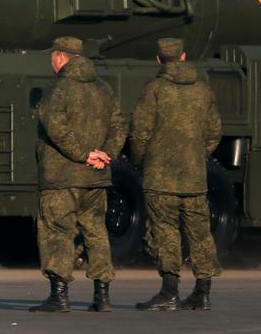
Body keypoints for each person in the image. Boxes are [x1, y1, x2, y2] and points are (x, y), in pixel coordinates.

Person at [30, 36, 127, 313]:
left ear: (61, 57)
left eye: (52, 56)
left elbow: (56, 128)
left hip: (61, 177)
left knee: (57, 232)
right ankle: (102, 296)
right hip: (95, 177)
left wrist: (84, 154)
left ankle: (59, 296)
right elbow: (120, 125)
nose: (51, 61)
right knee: (96, 232)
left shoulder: (58, 88)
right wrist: (105, 154)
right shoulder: (104, 89)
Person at [131, 38, 222, 311]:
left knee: (166, 232)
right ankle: (202, 292)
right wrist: (197, 156)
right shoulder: (203, 91)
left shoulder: (154, 90)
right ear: (182, 57)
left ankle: (169, 291)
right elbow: (215, 132)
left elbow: (140, 133)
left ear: (159, 60)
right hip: (194, 176)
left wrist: (142, 162)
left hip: (160, 177)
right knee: (200, 233)